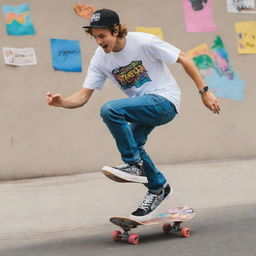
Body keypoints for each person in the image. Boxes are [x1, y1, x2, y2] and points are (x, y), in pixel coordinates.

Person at [46, 8, 220, 221]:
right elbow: (83, 96)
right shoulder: (100, 59)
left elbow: (183, 58)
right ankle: (158, 188)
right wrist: (62, 102)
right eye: (95, 37)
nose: (99, 42)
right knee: (134, 144)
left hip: (165, 101)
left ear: (116, 30)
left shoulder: (144, 42)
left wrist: (205, 91)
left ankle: (134, 165)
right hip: (143, 107)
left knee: (111, 110)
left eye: (102, 36)